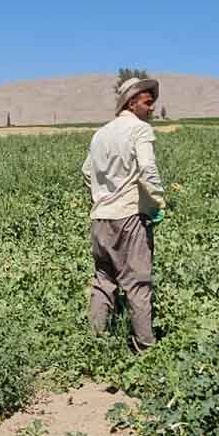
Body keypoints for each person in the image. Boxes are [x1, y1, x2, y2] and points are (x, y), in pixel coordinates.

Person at [82, 75, 165, 352]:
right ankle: (145, 350)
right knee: (137, 284)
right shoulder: (139, 130)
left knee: (104, 281)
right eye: (148, 102)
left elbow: (86, 172)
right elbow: (148, 170)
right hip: (129, 217)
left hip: (100, 217)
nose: (152, 108)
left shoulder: (100, 133)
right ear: (132, 102)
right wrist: (157, 203)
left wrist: (101, 196)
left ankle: (94, 344)